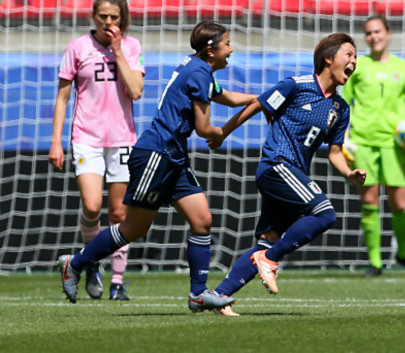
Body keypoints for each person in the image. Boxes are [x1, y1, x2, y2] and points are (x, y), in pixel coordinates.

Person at [57, 20, 256, 312]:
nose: (231, 50)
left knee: (202, 220)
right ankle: (74, 264)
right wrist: (220, 134)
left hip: (173, 156)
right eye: (227, 44)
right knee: (132, 228)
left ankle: (198, 294)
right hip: (157, 154)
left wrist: (257, 99)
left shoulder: (197, 67)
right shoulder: (199, 72)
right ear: (211, 50)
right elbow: (203, 129)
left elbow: (225, 96)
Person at [210, 33, 366, 316]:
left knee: (266, 239)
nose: (354, 62)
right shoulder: (296, 85)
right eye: (349, 55)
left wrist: (349, 174)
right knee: (325, 213)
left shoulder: (340, 109)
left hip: (291, 174)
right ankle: (270, 259)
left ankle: (218, 295)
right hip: (277, 166)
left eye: (356, 57)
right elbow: (257, 104)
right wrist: (223, 133)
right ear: (328, 59)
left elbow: (335, 152)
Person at [49, 0, 145, 300]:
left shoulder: (131, 46)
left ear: (123, 19)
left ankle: (117, 282)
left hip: (122, 139)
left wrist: (118, 52)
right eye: (103, 16)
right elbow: (63, 97)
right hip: (86, 138)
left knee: (118, 213)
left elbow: (136, 91)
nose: (108, 22)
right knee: (92, 206)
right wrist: (56, 142)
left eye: (114, 17)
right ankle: (90, 262)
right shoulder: (77, 48)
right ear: (93, 17)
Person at [341, 15, 405, 277]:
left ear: (388, 33)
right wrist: (345, 137)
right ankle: (374, 262)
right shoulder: (357, 67)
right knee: (369, 199)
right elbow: (344, 104)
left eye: (377, 31)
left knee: (399, 203)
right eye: (369, 33)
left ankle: (404, 254)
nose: (374, 37)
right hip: (363, 141)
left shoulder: (403, 67)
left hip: (394, 143)